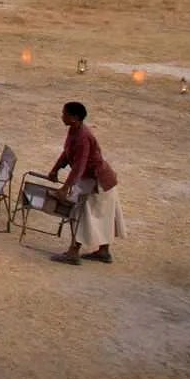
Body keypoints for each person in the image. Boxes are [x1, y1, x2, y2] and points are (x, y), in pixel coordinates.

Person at [48, 101, 123, 265]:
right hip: (95, 178)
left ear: (74, 118)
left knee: (79, 212)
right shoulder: (74, 130)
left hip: (98, 180)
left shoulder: (82, 137)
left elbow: (79, 166)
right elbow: (67, 153)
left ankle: (73, 252)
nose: (62, 116)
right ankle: (103, 251)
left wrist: (65, 188)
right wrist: (55, 169)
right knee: (102, 214)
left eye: (65, 114)